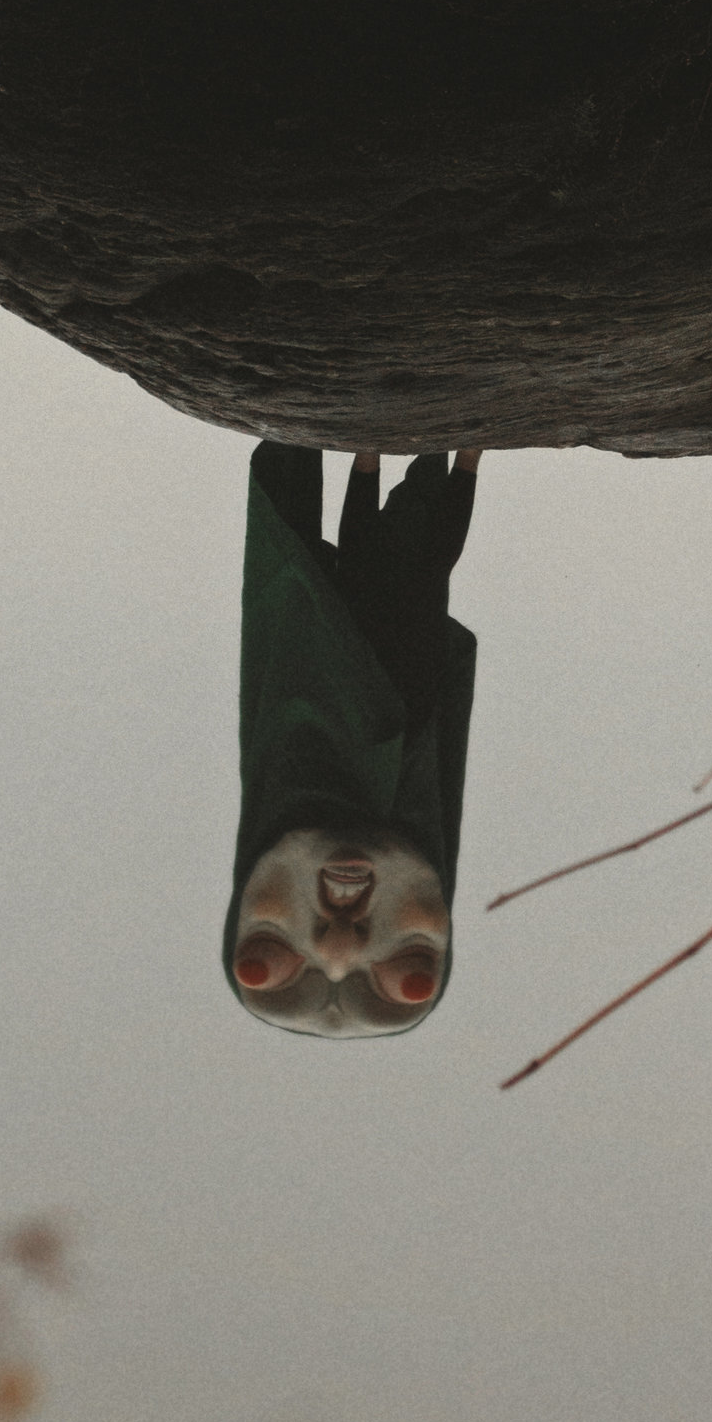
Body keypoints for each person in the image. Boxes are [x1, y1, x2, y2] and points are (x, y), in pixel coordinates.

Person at [224, 443, 482, 1039]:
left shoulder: (288, 680)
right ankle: (444, 450)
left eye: (271, 947)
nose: (339, 943)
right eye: (409, 964)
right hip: (411, 666)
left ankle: (386, 449)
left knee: (362, 560)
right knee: (423, 567)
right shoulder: (419, 718)